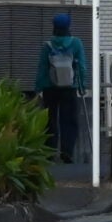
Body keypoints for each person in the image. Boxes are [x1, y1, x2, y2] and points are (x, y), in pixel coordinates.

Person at [33, 12, 87, 164]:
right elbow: (82, 66)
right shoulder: (76, 43)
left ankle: (50, 152)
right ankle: (67, 151)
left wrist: (38, 87)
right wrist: (83, 85)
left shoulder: (48, 46)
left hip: (50, 88)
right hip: (69, 87)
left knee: (50, 120)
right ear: (68, 26)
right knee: (69, 120)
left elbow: (42, 68)